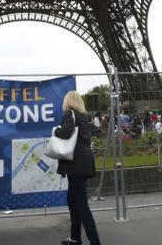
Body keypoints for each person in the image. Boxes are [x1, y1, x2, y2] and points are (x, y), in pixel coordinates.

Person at [54, 91, 101, 245]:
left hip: (75, 165)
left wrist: (56, 131)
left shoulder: (69, 114)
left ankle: (95, 242)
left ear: (67, 101)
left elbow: (66, 132)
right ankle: (75, 238)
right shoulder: (82, 116)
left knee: (81, 205)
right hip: (84, 163)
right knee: (73, 202)